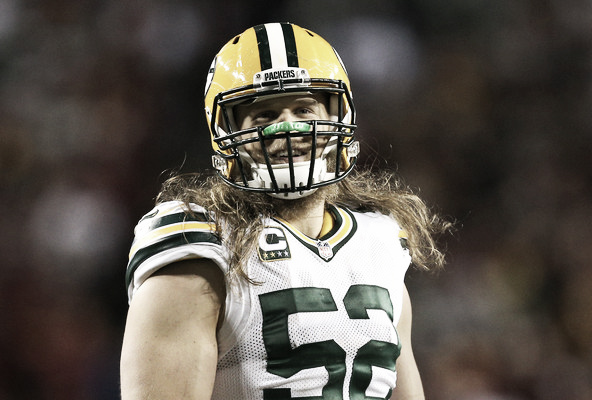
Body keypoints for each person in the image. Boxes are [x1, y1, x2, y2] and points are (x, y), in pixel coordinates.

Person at [120, 22, 449, 400]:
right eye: (263, 116)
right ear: (227, 134)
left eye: (303, 108)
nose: (288, 127)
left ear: (338, 118)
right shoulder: (200, 244)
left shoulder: (380, 245)